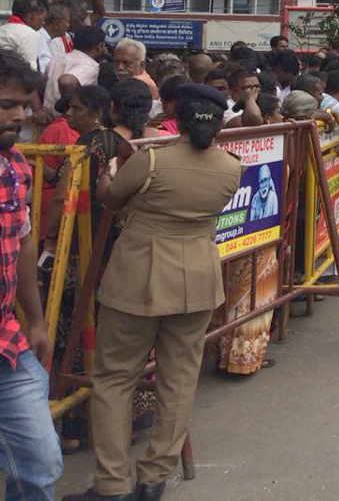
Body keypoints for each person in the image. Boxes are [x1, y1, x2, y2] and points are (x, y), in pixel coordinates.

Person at [63, 84, 242, 501]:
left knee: (114, 380)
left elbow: (110, 199)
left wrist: (107, 172)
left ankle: (112, 484)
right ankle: (154, 479)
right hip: (197, 279)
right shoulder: (231, 167)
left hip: (137, 279)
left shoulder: (151, 161)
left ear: (175, 119)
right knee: (178, 382)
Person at [0, 51, 62, 501]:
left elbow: (21, 244)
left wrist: (35, 321)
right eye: (7, 104)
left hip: (8, 342)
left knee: (40, 462)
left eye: (24, 104)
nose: (21, 115)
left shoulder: (15, 165)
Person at [42, 25, 105, 111]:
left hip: (48, 117)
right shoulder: (90, 65)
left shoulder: (57, 59)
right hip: (69, 120)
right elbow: (67, 81)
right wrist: (66, 107)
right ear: (100, 46)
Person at [0, 0, 47, 69]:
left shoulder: (2, 29)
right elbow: (30, 71)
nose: (43, 22)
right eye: (42, 17)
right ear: (32, 14)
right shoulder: (29, 34)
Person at [36, 3, 70, 72]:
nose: (69, 25)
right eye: (67, 22)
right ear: (57, 24)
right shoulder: (37, 39)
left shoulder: (55, 39)